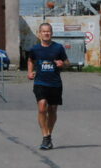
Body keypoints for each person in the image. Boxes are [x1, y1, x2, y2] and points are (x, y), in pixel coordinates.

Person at [27, 22, 70, 150]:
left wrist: (62, 64)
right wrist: (30, 72)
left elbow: (67, 63)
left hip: (55, 83)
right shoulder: (35, 49)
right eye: (44, 31)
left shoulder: (58, 48)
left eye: (48, 31)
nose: (46, 33)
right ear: (39, 33)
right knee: (42, 108)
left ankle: (48, 136)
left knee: (52, 110)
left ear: (52, 33)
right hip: (40, 82)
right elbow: (30, 60)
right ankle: (45, 136)